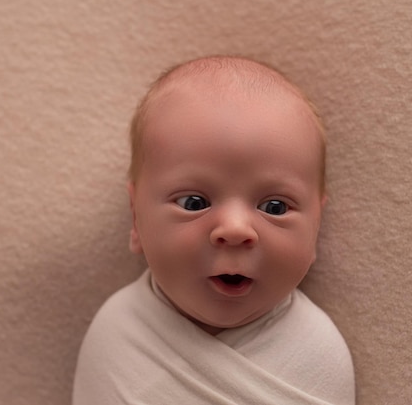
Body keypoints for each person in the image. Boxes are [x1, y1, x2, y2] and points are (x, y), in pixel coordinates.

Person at [73, 55, 355, 404]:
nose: (235, 229)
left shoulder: (318, 352)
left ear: (315, 229)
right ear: (136, 219)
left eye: (275, 208)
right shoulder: (116, 332)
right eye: (194, 203)